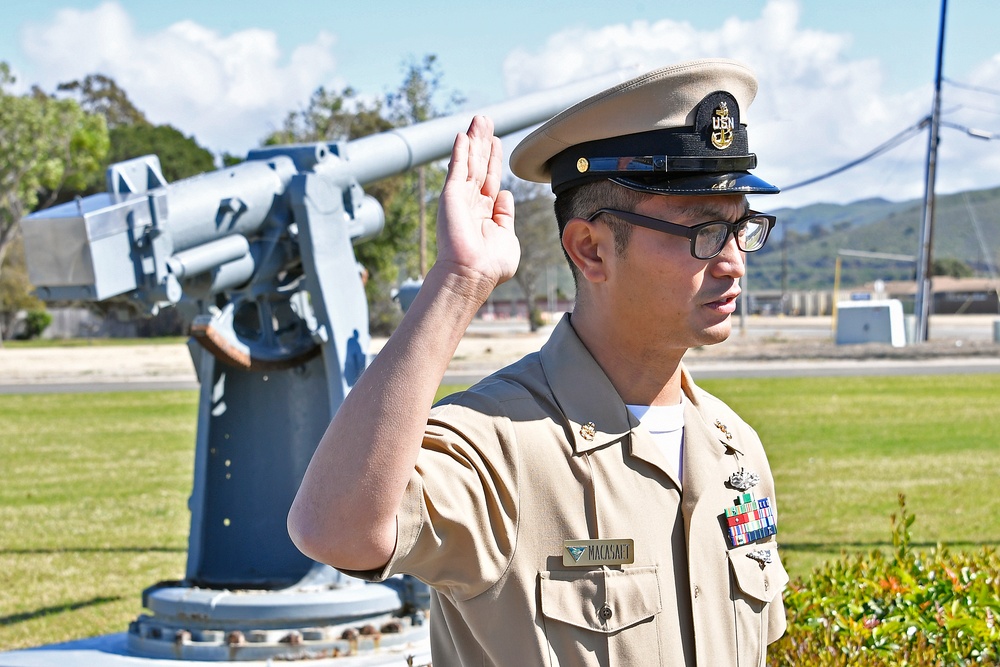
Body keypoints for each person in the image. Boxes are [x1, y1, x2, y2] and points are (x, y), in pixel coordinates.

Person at [288, 58, 787, 666]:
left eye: (741, 227)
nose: (733, 260)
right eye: (702, 230)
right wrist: (460, 282)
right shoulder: (498, 447)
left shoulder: (734, 449)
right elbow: (334, 530)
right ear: (590, 249)